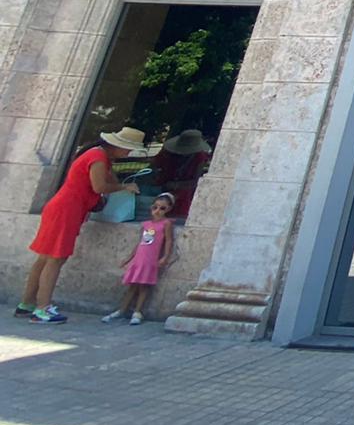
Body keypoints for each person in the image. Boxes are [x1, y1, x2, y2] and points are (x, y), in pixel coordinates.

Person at [15, 126, 148, 324]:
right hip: (67, 209)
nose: (128, 153)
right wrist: (124, 187)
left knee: (44, 258)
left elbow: (101, 180)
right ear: (117, 146)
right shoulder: (98, 158)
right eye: (127, 149)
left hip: (63, 207)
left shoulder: (98, 156)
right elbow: (99, 187)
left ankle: (26, 304)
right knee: (55, 260)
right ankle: (42, 308)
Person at [101, 191, 177, 325]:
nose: (158, 211)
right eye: (155, 207)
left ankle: (138, 311)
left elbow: (169, 241)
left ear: (168, 209)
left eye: (162, 208)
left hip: (150, 259)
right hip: (140, 258)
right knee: (132, 285)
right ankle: (122, 310)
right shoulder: (146, 224)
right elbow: (140, 242)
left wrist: (165, 257)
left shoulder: (166, 224)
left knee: (144, 286)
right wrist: (129, 258)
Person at [149, 130, 211, 219]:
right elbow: (154, 167)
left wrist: (176, 185)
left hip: (183, 197)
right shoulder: (167, 152)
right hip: (160, 191)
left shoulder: (200, 157)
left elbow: (196, 181)